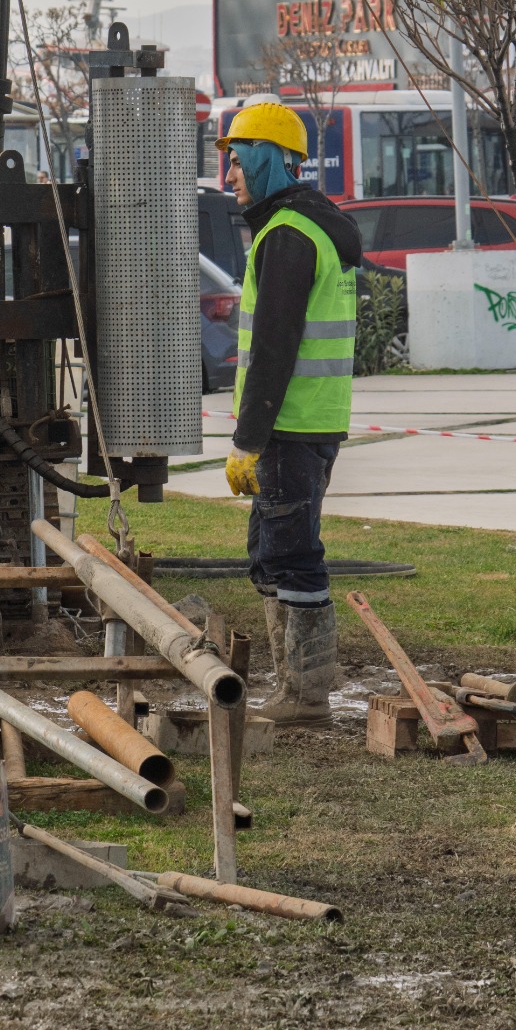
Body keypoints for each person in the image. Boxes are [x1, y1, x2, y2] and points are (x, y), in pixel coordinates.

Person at [218, 98, 361, 725]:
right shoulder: (310, 223)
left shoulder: (287, 236)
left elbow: (274, 347)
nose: (230, 175)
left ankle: (304, 696)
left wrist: (248, 440)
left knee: (293, 553)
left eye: (238, 159)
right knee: (271, 549)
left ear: (270, 157)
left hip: (290, 424)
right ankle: (293, 686)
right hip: (307, 420)